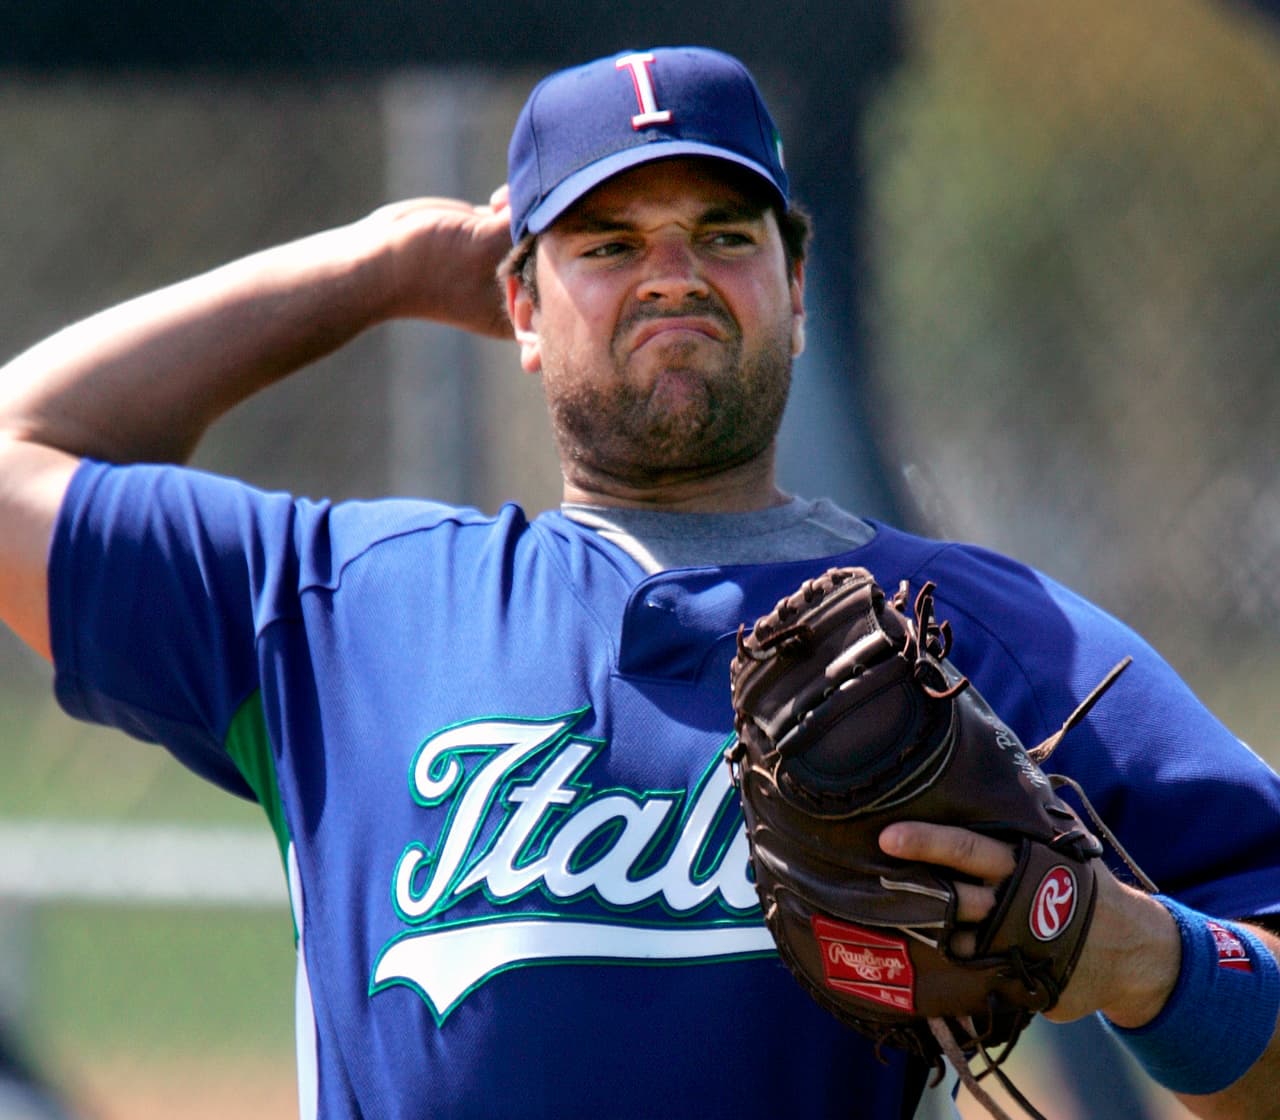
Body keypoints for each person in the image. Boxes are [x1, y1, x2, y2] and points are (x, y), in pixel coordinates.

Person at [0, 45, 1277, 1120]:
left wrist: (1140, 956)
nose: (672, 271)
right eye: (606, 241)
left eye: (723, 234)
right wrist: (377, 267)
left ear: (795, 286)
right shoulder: (338, 602)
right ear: (519, 302)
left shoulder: (982, 636)